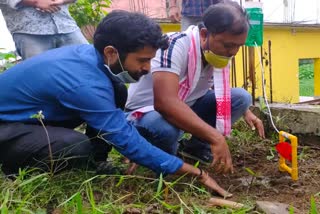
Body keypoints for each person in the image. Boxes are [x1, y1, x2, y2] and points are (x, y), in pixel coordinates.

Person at [0, 10, 230, 197]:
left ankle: (96, 162)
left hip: (30, 119)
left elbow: (118, 128)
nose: (148, 68)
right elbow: (124, 139)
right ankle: (14, 170)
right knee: (74, 147)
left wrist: (130, 141)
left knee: (118, 91)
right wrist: (197, 173)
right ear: (111, 52)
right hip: (6, 127)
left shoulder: (92, 59)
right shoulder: (85, 83)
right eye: (142, 60)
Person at [126, 1, 265, 174]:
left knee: (241, 98)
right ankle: (158, 159)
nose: (233, 52)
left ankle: (196, 149)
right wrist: (215, 137)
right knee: (164, 127)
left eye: (238, 46)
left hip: (184, 104)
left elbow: (212, 88)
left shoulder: (213, 53)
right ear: (205, 34)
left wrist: (246, 111)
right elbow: (164, 103)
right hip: (145, 113)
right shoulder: (173, 46)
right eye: (228, 45)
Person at [0, 0, 87, 60]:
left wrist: (62, 0)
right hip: (30, 32)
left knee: (88, 65)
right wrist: (36, 1)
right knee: (42, 77)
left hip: (67, 26)